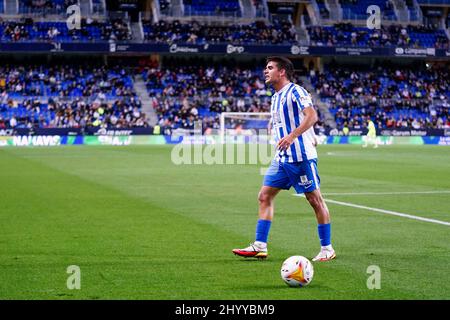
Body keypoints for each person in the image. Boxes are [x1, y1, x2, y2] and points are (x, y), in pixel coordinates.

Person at [232, 56, 336, 262]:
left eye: (270, 68)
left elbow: (311, 115)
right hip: (281, 158)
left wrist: (293, 136)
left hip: (300, 156)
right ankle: (260, 246)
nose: (265, 71)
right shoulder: (275, 97)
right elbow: (291, 120)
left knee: (314, 200)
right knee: (264, 196)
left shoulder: (296, 90)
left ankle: (327, 248)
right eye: (265, 67)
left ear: (282, 72)